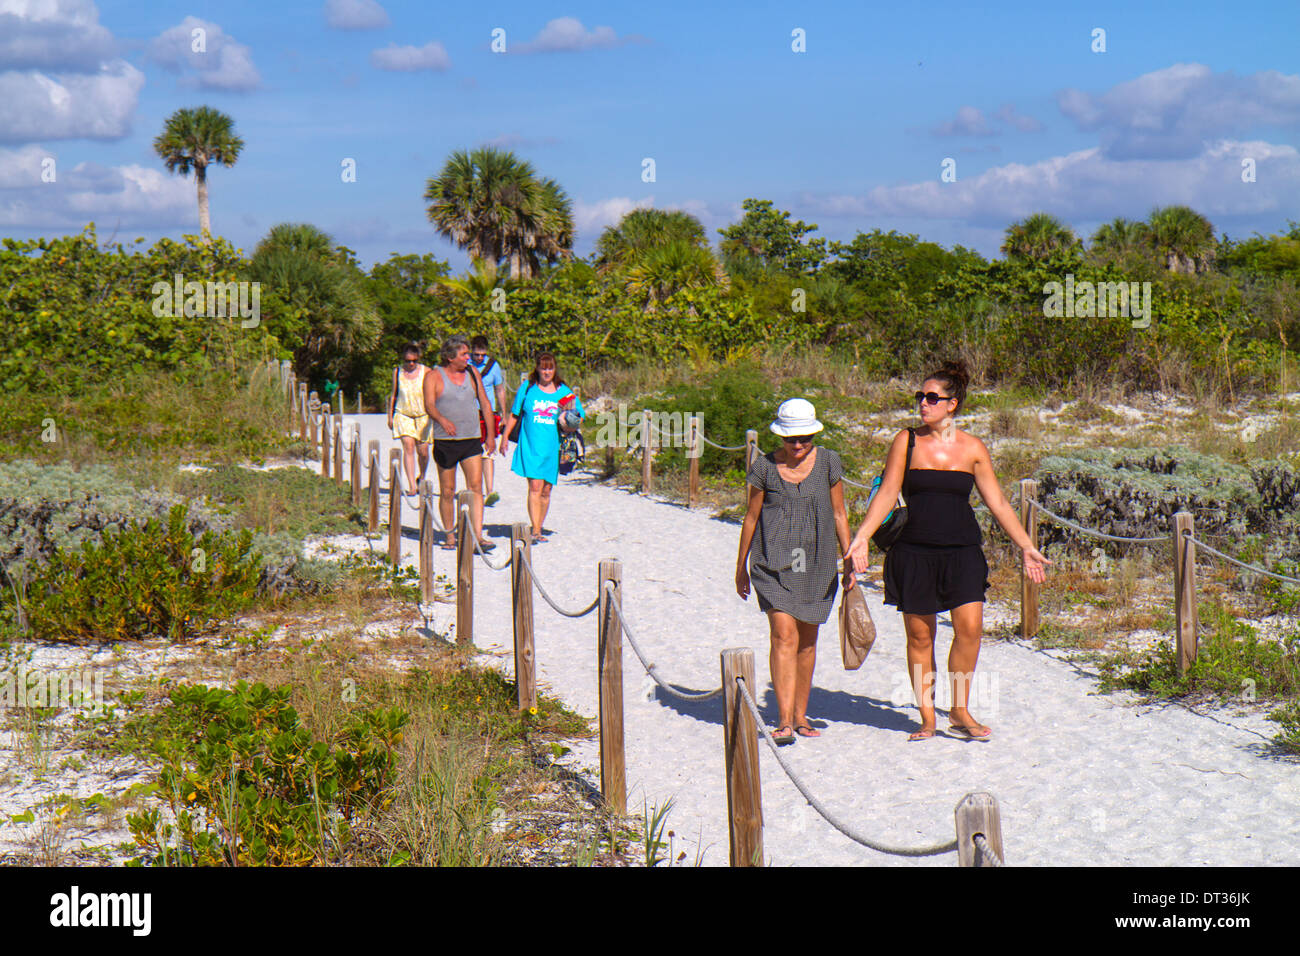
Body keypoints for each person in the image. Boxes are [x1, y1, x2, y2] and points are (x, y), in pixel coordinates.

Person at [844, 360, 1052, 741]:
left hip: (962, 552)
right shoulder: (906, 441)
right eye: (920, 396)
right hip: (914, 553)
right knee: (920, 637)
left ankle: (959, 709)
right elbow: (888, 493)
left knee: (970, 629)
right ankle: (926, 716)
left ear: (952, 404)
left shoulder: (972, 448)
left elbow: (999, 503)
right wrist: (861, 538)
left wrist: (1026, 546)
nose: (923, 403)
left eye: (932, 398)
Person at [735, 399, 852, 745]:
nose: (797, 446)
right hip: (773, 564)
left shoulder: (829, 462)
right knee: (783, 634)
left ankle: (801, 716)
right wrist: (740, 566)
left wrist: (850, 560)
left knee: (808, 640)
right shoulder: (764, 468)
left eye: (804, 438)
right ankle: (784, 720)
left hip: (817, 563)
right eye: (790, 439)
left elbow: (840, 513)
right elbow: (751, 517)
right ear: (780, 438)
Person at [498, 352, 584, 544]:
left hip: (554, 448)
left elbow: (579, 415)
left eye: (550, 368)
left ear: (555, 369)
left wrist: (569, 421)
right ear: (537, 368)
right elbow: (514, 414)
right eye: (543, 368)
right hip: (531, 444)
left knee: (546, 490)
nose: (546, 372)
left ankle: (539, 525)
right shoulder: (528, 389)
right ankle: (535, 529)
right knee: (535, 486)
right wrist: (504, 437)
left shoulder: (563, 391)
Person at [423, 334, 499, 552]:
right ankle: (449, 536)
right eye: (464, 354)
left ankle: (478, 535)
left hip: (472, 438)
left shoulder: (472, 373)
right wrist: (441, 419)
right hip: (446, 441)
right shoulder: (434, 377)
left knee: (476, 486)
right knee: (448, 490)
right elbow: (429, 405)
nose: (468, 358)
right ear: (450, 357)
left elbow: (485, 403)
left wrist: (491, 435)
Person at [387, 342, 431, 497]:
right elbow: (394, 394)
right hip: (403, 413)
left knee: (423, 451)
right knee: (408, 445)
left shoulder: (426, 371)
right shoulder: (397, 372)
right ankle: (412, 485)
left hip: (423, 414)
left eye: (414, 360)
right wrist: (390, 415)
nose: (411, 364)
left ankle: (422, 476)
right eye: (408, 361)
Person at [469, 335, 507, 507]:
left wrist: (504, 414)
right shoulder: (465, 365)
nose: (479, 358)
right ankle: (474, 488)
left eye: (482, 354)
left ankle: (490, 490)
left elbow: (500, 390)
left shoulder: (494, 366)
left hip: (488, 413)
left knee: (489, 451)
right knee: (471, 451)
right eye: (476, 354)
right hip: (469, 412)